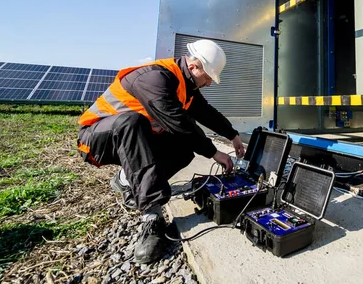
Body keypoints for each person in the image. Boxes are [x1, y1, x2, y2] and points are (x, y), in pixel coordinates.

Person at [76, 39, 245, 264]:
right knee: (133, 122)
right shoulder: (154, 78)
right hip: (96, 140)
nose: (208, 84)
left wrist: (232, 136)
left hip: (130, 140)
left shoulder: (184, 85)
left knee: (184, 147)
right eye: (207, 78)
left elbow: (205, 113)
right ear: (194, 67)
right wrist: (214, 153)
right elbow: (178, 121)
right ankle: (151, 217)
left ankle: (127, 180)